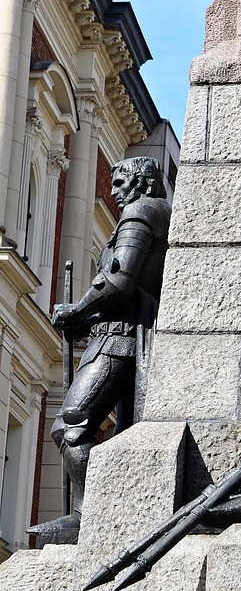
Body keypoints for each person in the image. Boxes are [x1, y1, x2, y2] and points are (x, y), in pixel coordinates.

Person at [49, 157, 170, 520]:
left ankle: (90, 518)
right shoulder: (154, 212)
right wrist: (86, 320)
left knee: (70, 424)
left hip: (117, 341)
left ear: (143, 183)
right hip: (117, 334)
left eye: (121, 183)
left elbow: (119, 282)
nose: (114, 192)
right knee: (116, 435)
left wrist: (77, 310)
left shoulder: (140, 213)